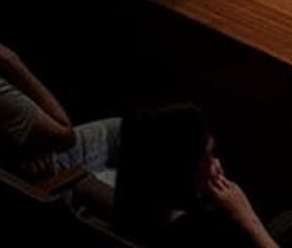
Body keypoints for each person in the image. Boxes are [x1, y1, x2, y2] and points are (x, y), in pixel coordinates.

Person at [114, 103, 278, 247]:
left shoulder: (130, 201)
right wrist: (248, 218)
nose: (216, 164)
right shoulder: (198, 234)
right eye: (209, 155)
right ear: (187, 168)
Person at [0, 40, 120, 188]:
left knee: (141, 128)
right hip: (60, 180)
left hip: (44, 156)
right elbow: (66, 137)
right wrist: (10, 61)